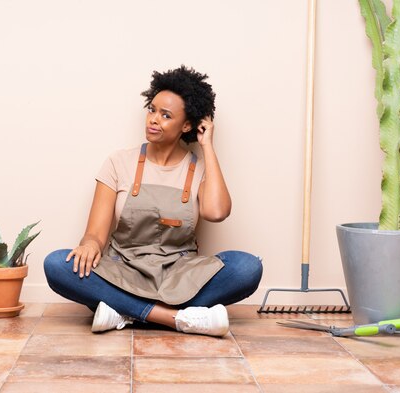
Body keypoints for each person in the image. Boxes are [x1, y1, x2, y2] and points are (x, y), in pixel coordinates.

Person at [44, 65, 262, 337]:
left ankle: (124, 311)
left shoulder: (200, 170)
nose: (153, 119)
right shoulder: (118, 162)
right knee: (56, 264)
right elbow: (95, 233)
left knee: (247, 268)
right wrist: (89, 245)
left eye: (166, 115)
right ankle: (175, 319)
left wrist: (207, 145)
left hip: (179, 274)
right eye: (152, 109)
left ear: (187, 125)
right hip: (123, 269)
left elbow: (216, 212)